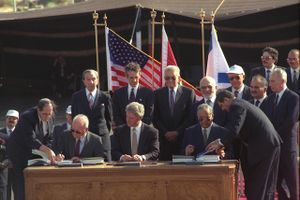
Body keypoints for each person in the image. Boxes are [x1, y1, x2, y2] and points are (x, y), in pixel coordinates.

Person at [209, 90, 281, 200]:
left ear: (227, 100)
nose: (223, 109)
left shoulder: (237, 106)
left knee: (260, 184)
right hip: (267, 145)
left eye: (221, 105)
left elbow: (234, 130)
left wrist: (219, 143)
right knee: (263, 185)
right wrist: (220, 140)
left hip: (265, 147)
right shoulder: (241, 104)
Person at [7, 98, 59, 200]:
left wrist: (53, 153)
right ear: (38, 110)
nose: (47, 117)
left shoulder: (50, 116)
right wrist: (47, 150)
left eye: (50, 113)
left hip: (35, 152)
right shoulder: (27, 117)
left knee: (37, 181)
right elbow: (30, 138)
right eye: (45, 114)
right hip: (19, 152)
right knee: (21, 184)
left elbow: (49, 137)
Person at [264, 68, 299, 200]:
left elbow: (290, 121)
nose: (270, 84)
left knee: (291, 182)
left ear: (282, 81)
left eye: (272, 81)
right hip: (273, 148)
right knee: (276, 182)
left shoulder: (294, 98)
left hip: (287, 147)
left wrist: (273, 136)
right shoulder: (269, 99)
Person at [153, 65, 195, 160]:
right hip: (164, 140)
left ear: (179, 78)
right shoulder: (157, 94)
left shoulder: (188, 93)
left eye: (173, 77)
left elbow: (190, 116)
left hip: (182, 139)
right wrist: (165, 132)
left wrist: (177, 132)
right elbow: (155, 116)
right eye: (167, 78)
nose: (170, 80)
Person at [71, 69, 112, 161]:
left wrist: (103, 130)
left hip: (101, 136)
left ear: (97, 80)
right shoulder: (76, 97)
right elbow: (75, 117)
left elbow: (109, 118)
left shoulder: (105, 97)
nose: (91, 82)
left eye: (93, 79)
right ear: (83, 81)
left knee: (105, 161)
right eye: (88, 79)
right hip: (83, 136)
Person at [112, 62, 154, 127]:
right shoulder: (118, 93)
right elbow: (116, 114)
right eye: (131, 78)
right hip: (124, 131)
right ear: (126, 76)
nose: (134, 80)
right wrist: (125, 128)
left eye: (136, 77)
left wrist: (138, 127)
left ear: (140, 75)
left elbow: (149, 114)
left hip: (142, 131)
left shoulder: (148, 93)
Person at [0, 110, 19, 200]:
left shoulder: (21, 134)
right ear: (5, 119)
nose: (11, 120)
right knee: (5, 193)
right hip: (3, 168)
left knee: (18, 191)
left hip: (17, 167)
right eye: (9, 118)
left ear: (17, 120)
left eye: (14, 119)